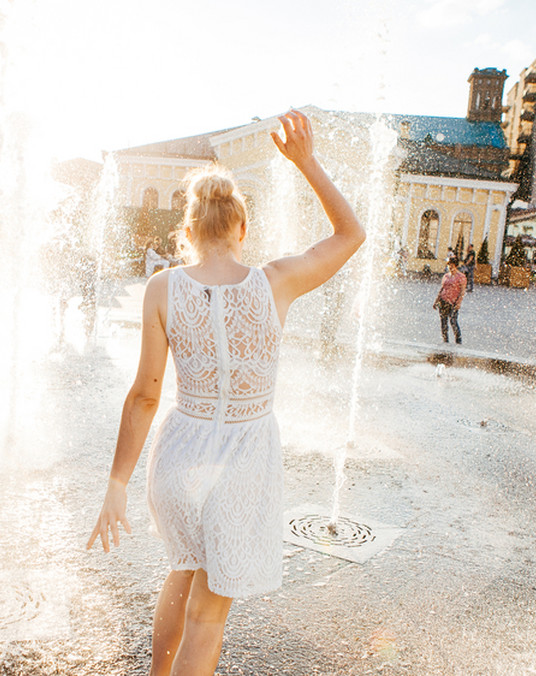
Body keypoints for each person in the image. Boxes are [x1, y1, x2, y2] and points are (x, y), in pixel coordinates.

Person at [86, 110, 364, 676]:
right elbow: (351, 235)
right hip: (242, 461)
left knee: (182, 571)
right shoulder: (276, 281)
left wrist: (116, 485)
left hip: (179, 456)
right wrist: (306, 162)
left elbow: (144, 396)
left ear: (187, 233)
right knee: (208, 618)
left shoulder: (162, 288)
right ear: (242, 230)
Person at [433, 257, 465, 344]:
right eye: (449, 265)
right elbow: (442, 288)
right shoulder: (446, 276)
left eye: (452, 265)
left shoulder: (461, 277)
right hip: (443, 301)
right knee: (443, 322)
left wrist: (459, 303)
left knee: (453, 321)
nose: (450, 267)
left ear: (456, 266)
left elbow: (462, 291)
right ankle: (445, 340)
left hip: (453, 302)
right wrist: (436, 300)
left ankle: (458, 340)